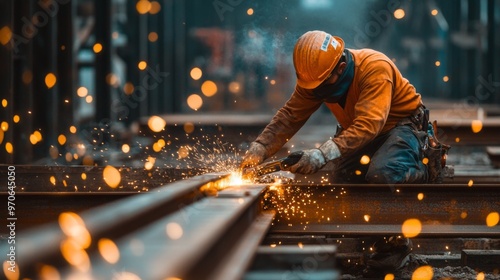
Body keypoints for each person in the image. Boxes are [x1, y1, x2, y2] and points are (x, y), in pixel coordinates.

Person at [240, 30, 450, 274]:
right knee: (342, 181)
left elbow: (370, 124)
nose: (316, 92)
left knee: (384, 173)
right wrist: (261, 147)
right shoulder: (318, 78)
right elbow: (290, 115)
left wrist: (322, 154)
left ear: (340, 67)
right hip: (363, 132)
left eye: (321, 85)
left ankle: (398, 241)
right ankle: (366, 239)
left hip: (401, 128)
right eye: (312, 87)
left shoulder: (374, 68)